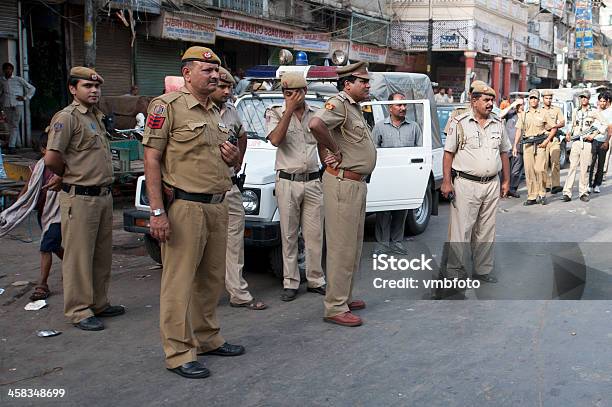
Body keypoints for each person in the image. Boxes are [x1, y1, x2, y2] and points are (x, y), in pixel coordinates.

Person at [142, 46, 243, 379]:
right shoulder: (166, 107)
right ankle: (178, 352)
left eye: (216, 71)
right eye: (206, 70)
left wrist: (234, 159)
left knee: (210, 279)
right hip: (185, 207)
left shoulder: (216, 111)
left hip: (218, 204)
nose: (214, 75)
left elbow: (229, 158)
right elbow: (152, 160)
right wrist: (157, 212)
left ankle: (208, 338)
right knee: (179, 282)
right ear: (187, 73)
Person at [45, 67, 124, 331]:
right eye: (86, 87)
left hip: (102, 196)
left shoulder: (95, 117)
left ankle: (98, 303)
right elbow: (52, 158)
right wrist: (67, 175)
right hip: (80, 197)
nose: (93, 91)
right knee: (78, 257)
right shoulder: (67, 118)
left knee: (101, 256)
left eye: (96, 87)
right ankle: (79, 310)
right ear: (72, 89)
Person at [309, 61, 376, 327]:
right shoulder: (337, 104)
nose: (368, 85)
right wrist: (333, 149)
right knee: (340, 246)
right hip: (342, 182)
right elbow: (315, 125)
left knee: (353, 244)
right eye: (363, 81)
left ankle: (344, 297)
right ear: (347, 84)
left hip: (356, 183)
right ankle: (335, 306)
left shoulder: (354, 108)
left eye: (367, 81)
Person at [440, 82, 510, 285]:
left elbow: (504, 152)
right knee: (461, 229)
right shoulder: (460, 122)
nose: (490, 104)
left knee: (486, 229)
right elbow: (448, 154)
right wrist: (446, 182)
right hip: (465, 184)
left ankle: (482, 270)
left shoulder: (498, 123)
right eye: (486, 100)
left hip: (491, 184)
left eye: (492, 100)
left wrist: (506, 180)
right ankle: (454, 271)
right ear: (474, 101)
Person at [266, 72, 326, 302]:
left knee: (314, 235)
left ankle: (315, 279)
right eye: (287, 93)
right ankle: (290, 282)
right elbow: (275, 140)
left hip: (312, 180)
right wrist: (289, 110)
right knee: (289, 235)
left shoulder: (316, 114)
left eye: (297, 93)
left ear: (305, 92)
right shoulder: (275, 112)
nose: (292, 97)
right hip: (287, 181)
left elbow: (321, 144)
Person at [210, 66, 266, 311]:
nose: (227, 91)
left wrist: (238, 159)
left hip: (230, 186)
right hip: (202, 190)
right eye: (222, 86)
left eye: (230, 87)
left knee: (234, 243)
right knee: (204, 245)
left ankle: (238, 292)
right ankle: (203, 296)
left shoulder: (232, 111)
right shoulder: (196, 112)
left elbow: (241, 135)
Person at [372, 92, 422, 252]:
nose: (403, 108)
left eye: (404, 104)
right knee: (383, 211)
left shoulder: (414, 127)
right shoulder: (379, 126)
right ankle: (382, 245)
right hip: (385, 177)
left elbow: (419, 150)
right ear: (390, 108)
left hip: (405, 176)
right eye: (399, 105)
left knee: (402, 209)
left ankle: (397, 243)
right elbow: (374, 151)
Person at [512, 89, 554, 206]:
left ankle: (542, 194)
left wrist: (547, 140)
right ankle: (532, 196)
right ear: (528, 100)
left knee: (540, 169)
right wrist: (515, 146)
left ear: (538, 100)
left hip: (540, 144)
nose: (533, 100)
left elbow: (553, 128)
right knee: (529, 171)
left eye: (535, 98)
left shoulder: (543, 113)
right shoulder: (524, 115)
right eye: (531, 98)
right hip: (528, 145)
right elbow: (519, 130)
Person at [561, 90, 599, 202]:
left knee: (584, 169)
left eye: (585, 97)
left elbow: (604, 124)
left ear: (589, 99)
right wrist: (569, 133)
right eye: (581, 97)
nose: (583, 99)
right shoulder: (575, 111)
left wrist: (594, 135)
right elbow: (572, 125)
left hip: (587, 143)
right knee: (572, 167)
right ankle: (567, 193)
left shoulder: (594, 112)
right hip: (576, 142)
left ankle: (583, 192)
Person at [0, 62, 36, 154]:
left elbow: (32, 88)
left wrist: (25, 97)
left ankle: (11, 146)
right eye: (6, 69)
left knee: (15, 124)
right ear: (3, 70)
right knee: (11, 124)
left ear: (12, 70)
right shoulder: (2, 80)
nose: (8, 71)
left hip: (17, 104)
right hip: (7, 104)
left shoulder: (18, 79)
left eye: (9, 69)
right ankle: (18, 144)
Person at [541, 90, 565, 194]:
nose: (548, 100)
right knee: (544, 162)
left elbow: (563, 122)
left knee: (555, 162)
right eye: (546, 98)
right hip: (543, 138)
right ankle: (545, 185)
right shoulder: (539, 110)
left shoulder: (557, 109)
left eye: (550, 98)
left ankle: (555, 185)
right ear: (543, 99)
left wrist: (554, 126)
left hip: (554, 138)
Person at [500, 97, 524, 198]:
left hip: (519, 147)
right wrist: (512, 105)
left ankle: (512, 189)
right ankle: (503, 189)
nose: (521, 106)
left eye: (522, 104)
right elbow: (499, 115)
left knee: (516, 171)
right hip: (507, 146)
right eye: (519, 104)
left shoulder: (524, 115)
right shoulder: (510, 114)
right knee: (505, 169)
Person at [589, 92, 611, 193]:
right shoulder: (594, 112)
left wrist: (607, 142)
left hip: (603, 141)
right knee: (591, 163)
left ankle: (597, 184)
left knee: (601, 164)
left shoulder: (609, 113)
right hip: (593, 140)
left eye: (604, 101)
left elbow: (610, 129)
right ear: (598, 102)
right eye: (600, 101)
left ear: (607, 102)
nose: (602, 103)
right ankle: (589, 184)